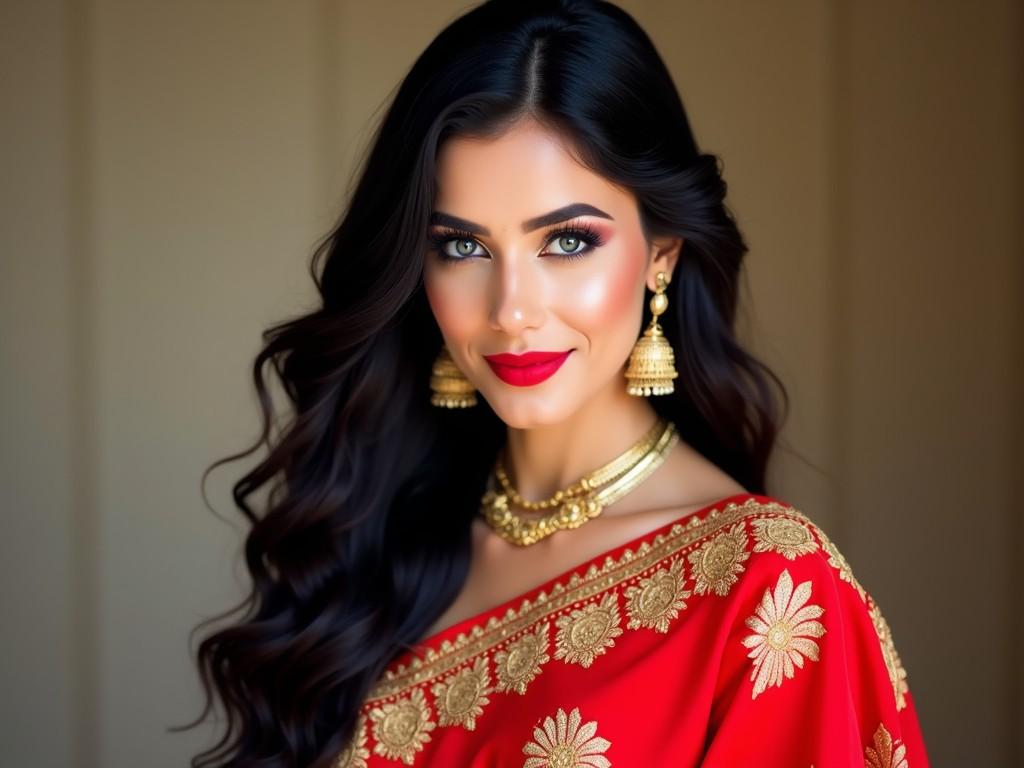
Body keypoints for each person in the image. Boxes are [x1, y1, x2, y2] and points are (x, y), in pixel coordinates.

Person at [179, 1, 929, 766]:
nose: (511, 310)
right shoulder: (382, 540)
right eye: (462, 246)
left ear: (661, 254)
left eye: (567, 241)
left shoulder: (763, 586)